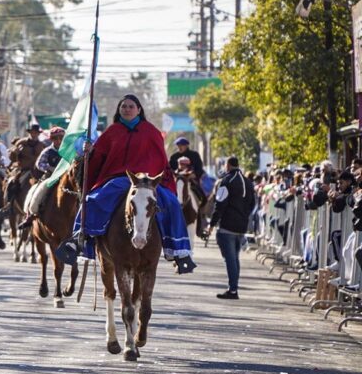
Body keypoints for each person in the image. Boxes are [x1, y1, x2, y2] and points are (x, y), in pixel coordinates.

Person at [79, 94, 196, 274]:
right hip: (118, 178)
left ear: (139, 110)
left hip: (148, 180)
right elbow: (99, 157)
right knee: (93, 200)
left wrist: (159, 180)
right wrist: (90, 152)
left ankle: (180, 252)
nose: (127, 109)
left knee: (172, 203)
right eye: (123, 106)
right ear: (119, 109)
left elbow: (160, 160)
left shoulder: (151, 132)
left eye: (131, 106)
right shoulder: (112, 131)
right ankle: (80, 239)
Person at [206, 156, 255, 299]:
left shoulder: (226, 181)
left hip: (227, 226)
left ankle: (233, 290)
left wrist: (212, 224)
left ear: (227, 165)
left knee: (230, 259)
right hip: (241, 226)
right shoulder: (248, 182)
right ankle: (233, 287)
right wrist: (244, 217)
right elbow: (252, 204)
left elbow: (219, 204)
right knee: (235, 258)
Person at [18, 127, 66, 229]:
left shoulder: (68, 151)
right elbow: (39, 163)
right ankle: (30, 215)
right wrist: (49, 168)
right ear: (51, 139)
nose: (58, 141)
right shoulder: (47, 151)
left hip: (66, 176)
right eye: (55, 138)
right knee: (37, 191)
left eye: (60, 138)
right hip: (50, 177)